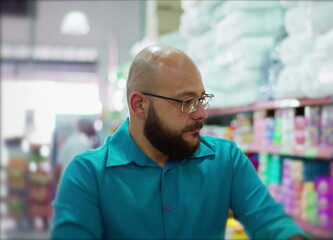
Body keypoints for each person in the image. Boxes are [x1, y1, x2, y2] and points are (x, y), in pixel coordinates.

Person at [51, 45, 309, 240]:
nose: (201, 114)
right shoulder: (87, 175)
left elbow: (271, 224)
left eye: (201, 98)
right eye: (186, 102)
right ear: (139, 105)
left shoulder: (225, 160)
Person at [54, 118, 98, 187]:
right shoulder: (87, 145)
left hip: (65, 187)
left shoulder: (68, 141)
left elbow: (58, 169)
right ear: (90, 130)